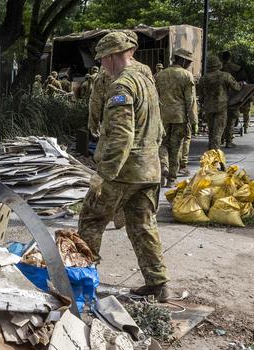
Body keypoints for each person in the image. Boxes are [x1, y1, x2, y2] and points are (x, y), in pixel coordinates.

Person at [78, 31, 169, 301]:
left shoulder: (122, 86)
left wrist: (103, 175)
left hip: (124, 172)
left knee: (91, 221)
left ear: (112, 56)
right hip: (148, 170)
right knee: (143, 225)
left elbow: (121, 136)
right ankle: (158, 283)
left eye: (102, 59)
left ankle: (83, 280)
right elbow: (159, 128)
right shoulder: (146, 79)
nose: (101, 66)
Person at [155, 48, 198, 186]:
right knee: (176, 147)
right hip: (179, 117)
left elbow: (154, 97)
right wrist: (194, 121)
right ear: (183, 60)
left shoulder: (160, 75)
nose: (189, 65)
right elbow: (190, 101)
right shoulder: (186, 75)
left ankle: (163, 165)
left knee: (162, 143)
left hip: (162, 116)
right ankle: (171, 179)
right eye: (189, 62)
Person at [197, 54, 241, 150]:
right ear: (218, 65)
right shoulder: (225, 76)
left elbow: (200, 96)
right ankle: (216, 157)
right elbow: (237, 88)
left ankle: (211, 153)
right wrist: (241, 84)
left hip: (208, 108)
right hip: (221, 108)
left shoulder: (203, 78)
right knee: (218, 133)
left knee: (211, 133)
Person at [221, 51, 243, 147]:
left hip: (219, 98)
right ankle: (228, 141)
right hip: (232, 96)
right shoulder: (235, 68)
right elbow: (238, 85)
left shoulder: (218, 68)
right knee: (231, 119)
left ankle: (220, 139)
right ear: (230, 57)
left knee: (220, 120)